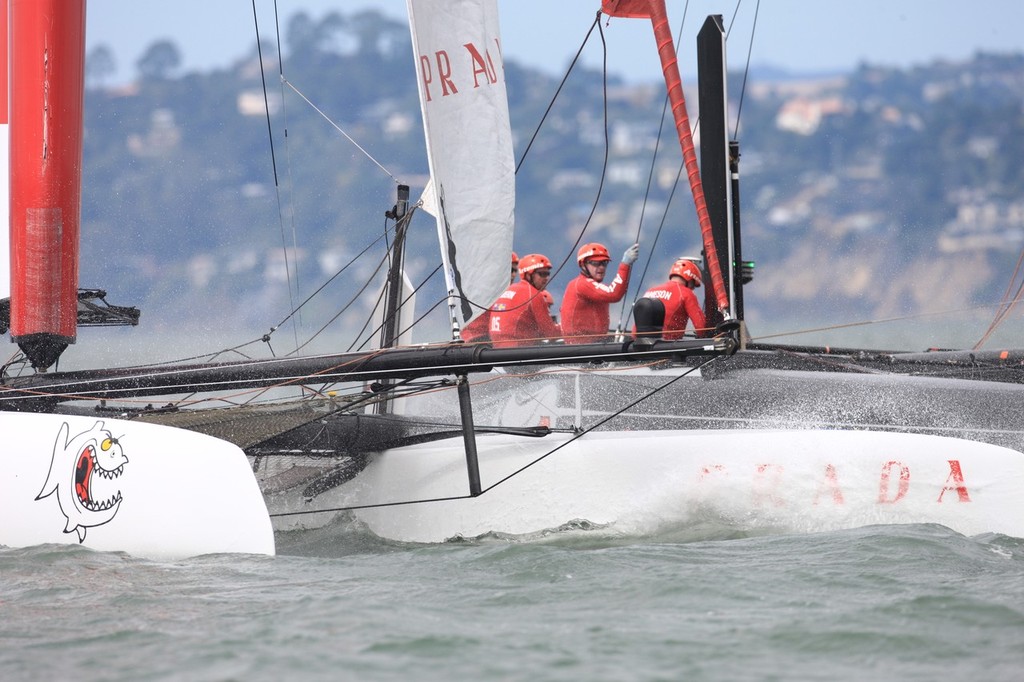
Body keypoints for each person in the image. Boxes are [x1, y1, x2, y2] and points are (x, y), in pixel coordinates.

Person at [560, 241, 639, 344]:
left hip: (593, 343)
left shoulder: (589, 285)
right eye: (595, 263)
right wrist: (625, 264)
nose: (601, 267)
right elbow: (614, 294)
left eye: (604, 263)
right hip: (582, 347)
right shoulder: (582, 284)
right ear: (583, 265)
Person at [489, 253, 561, 348]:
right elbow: (551, 334)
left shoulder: (509, 289)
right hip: (517, 350)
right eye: (542, 274)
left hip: (496, 348)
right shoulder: (533, 294)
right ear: (528, 275)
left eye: (547, 274)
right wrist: (566, 326)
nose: (546, 278)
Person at [632, 258, 706, 342]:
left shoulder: (651, 290)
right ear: (690, 279)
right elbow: (701, 328)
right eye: (693, 285)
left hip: (639, 347)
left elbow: (635, 331)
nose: (693, 288)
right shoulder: (686, 293)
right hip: (666, 349)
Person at [462, 251, 520, 343]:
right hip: (478, 339)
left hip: (473, 338)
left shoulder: (481, 285)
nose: (513, 274)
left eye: (515, 271)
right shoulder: (490, 289)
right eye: (510, 270)